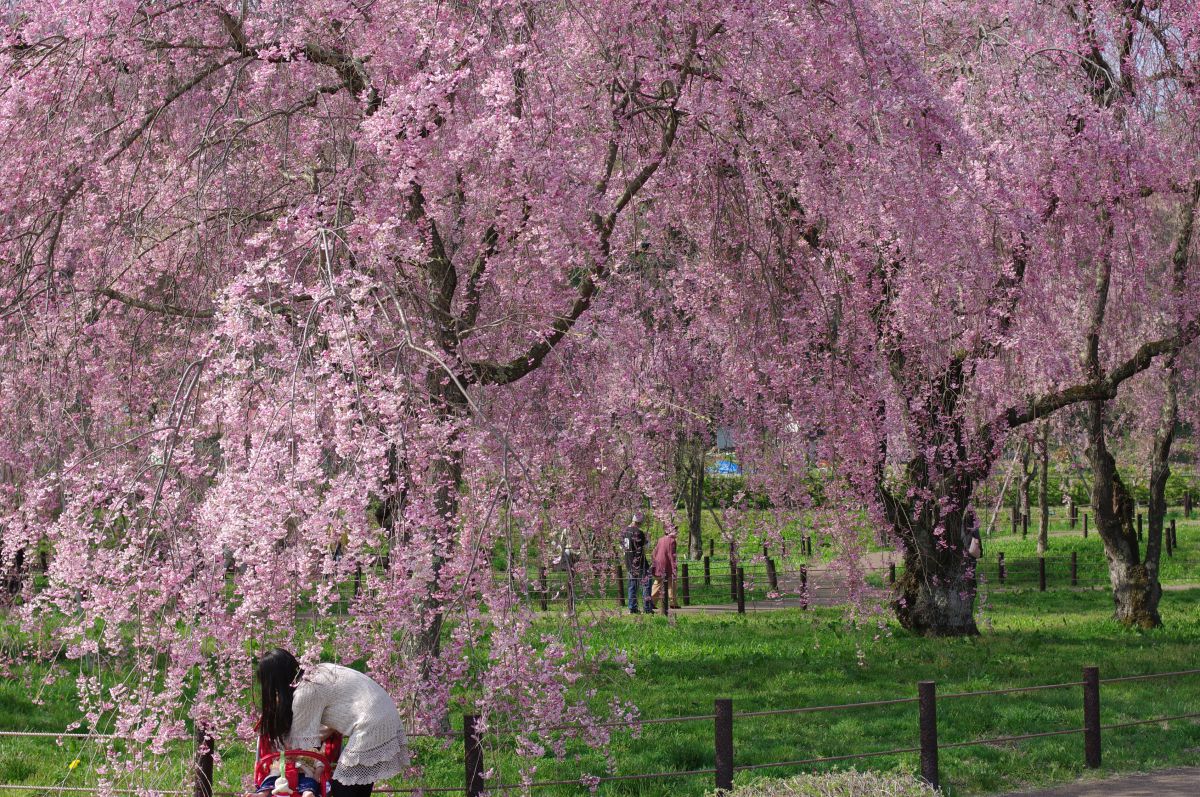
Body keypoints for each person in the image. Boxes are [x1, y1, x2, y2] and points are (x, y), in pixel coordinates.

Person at [257, 649, 409, 797]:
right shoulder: (317, 673)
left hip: (371, 724)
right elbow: (329, 723)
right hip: (383, 713)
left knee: (342, 788)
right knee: (358, 785)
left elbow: (296, 745)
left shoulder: (306, 691)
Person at [621, 512, 652, 614]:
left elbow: (622, 547)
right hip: (640, 562)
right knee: (646, 583)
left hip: (629, 561)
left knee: (632, 585)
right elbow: (646, 547)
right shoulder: (639, 532)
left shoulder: (624, 531)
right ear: (640, 522)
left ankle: (632, 608)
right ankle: (647, 608)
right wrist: (648, 539)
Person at [650, 529, 680, 610]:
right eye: (676, 531)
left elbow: (654, 552)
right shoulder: (672, 541)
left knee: (658, 582)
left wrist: (654, 562)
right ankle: (672, 602)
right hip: (667, 564)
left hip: (658, 563)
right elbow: (671, 555)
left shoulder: (660, 539)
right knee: (672, 582)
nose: (677, 533)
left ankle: (652, 601)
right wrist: (674, 567)